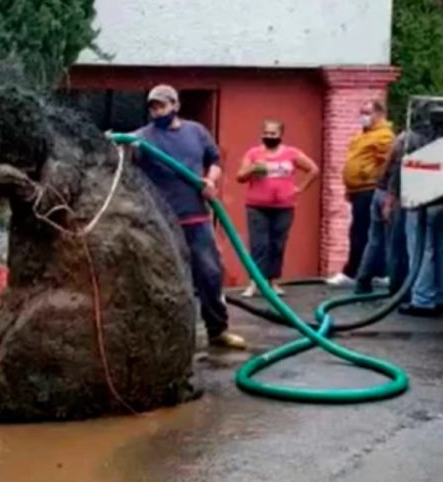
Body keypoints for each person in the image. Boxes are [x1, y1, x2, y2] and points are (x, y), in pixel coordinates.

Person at [135, 84, 246, 350]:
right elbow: (122, 153)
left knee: (209, 274)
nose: (156, 111)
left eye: (161, 105)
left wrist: (210, 181)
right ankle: (164, 339)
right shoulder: (142, 138)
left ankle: (217, 331)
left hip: (197, 218)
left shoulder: (196, 132)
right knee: (164, 279)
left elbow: (216, 161)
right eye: (152, 106)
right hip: (161, 222)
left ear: (175, 106)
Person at [236, 120, 319, 297]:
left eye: (273, 133)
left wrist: (300, 189)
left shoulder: (292, 153)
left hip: (283, 206)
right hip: (257, 206)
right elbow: (240, 177)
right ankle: (254, 282)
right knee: (259, 245)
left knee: (277, 244)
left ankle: (273, 281)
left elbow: (313, 170)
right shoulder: (254, 153)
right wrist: (252, 169)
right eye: (266, 133)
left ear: (280, 135)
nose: (268, 136)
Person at [327, 101, 394, 286]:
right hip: (358, 190)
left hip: (370, 188)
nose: (363, 116)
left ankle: (355, 272)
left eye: (367, 112)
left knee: (361, 232)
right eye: (361, 112)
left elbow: (389, 164)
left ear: (379, 114)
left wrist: (375, 179)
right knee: (362, 231)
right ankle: (373, 272)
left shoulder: (384, 137)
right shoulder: (361, 135)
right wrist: (350, 188)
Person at [385, 103, 443, 316]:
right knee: (439, 249)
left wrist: (392, 197)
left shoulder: (412, 138)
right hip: (438, 201)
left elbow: (400, 168)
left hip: (420, 201)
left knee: (421, 249)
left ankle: (422, 299)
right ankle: (438, 296)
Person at [354, 131, 408, 295]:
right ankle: (396, 289)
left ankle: (362, 281)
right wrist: (391, 200)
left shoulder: (402, 137)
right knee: (395, 245)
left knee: (375, 242)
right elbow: (398, 172)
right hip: (392, 197)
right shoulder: (411, 141)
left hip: (380, 192)